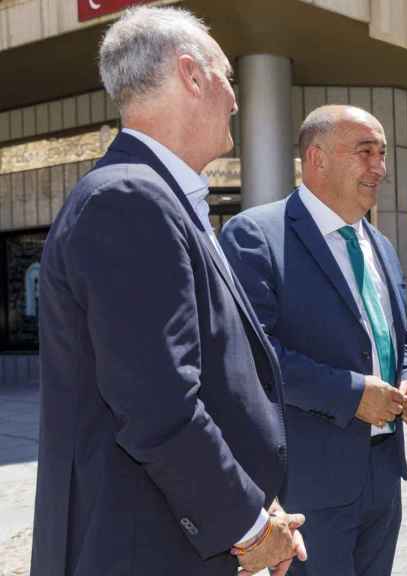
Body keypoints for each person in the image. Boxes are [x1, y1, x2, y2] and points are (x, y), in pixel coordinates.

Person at [31, 7, 305, 575]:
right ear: (191, 75)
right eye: (227, 77)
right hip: (146, 548)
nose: (235, 99)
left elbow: (206, 380)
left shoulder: (150, 196)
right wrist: (250, 526)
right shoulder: (129, 199)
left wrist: (253, 499)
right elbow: (158, 405)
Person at [220, 105, 407, 576]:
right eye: (365, 152)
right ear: (316, 158)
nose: (380, 167)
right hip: (309, 483)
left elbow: (401, 340)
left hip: (383, 478)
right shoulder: (256, 236)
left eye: (382, 154)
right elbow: (252, 356)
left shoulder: (380, 244)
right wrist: (352, 394)